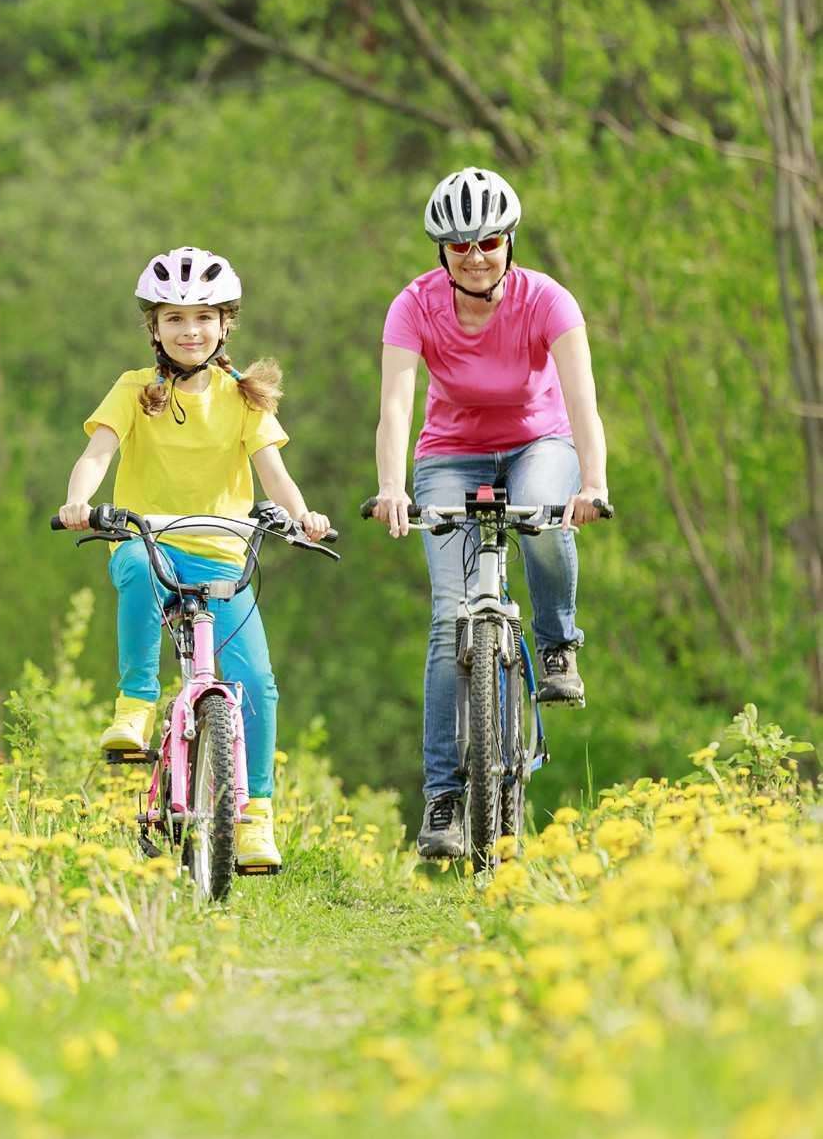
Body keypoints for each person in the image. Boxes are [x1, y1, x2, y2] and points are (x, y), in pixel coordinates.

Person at [58, 246, 329, 870]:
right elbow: (96, 455)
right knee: (132, 572)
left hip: (223, 556)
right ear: (153, 328)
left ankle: (255, 815)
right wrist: (80, 501)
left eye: (203, 317)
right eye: (174, 319)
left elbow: (275, 476)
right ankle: (135, 704)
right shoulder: (133, 390)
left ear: (226, 323)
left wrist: (304, 516)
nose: (190, 331)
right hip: (149, 541)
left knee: (257, 682)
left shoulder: (245, 397)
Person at [371, 168, 609, 859]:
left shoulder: (547, 300)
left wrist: (591, 481)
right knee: (450, 619)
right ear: (439, 251)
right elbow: (393, 406)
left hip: (538, 442)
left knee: (544, 523)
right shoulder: (413, 307)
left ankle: (557, 640)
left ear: (509, 241)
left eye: (489, 241)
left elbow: (582, 398)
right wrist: (391, 486)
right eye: (457, 245)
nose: (474, 255)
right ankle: (443, 799)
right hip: (450, 454)